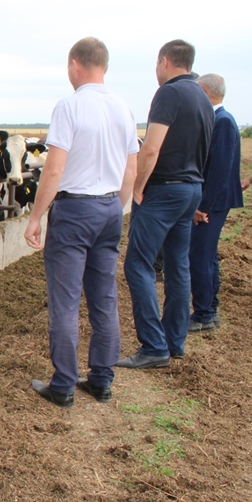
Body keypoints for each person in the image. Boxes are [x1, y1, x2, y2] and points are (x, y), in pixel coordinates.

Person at [24, 37, 138, 408]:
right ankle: (102, 380)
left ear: (75, 64)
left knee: (66, 301)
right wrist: (113, 206)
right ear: (102, 65)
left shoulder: (69, 107)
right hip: (108, 209)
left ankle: (63, 385)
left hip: (74, 213)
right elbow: (130, 170)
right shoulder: (123, 108)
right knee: (104, 299)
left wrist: (36, 216)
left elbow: (54, 169)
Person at [118, 40, 214, 369]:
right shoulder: (203, 96)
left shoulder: (169, 94)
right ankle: (175, 340)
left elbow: (150, 148)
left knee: (137, 265)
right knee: (178, 266)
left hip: (164, 190)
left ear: (165, 62)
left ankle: (153, 346)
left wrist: (138, 187)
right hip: (191, 190)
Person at [188, 74, 243, 332]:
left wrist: (203, 206)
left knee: (199, 255)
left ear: (207, 92)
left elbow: (219, 170)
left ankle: (204, 314)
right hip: (214, 200)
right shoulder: (220, 120)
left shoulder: (222, 122)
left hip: (213, 202)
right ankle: (210, 306)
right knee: (205, 255)